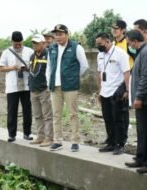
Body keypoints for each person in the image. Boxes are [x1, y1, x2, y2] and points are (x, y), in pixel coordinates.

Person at [46, 24, 89, 152]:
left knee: (73, 114)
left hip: (70, 87)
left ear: (66, 34)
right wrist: (50, 82)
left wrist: (73, 77)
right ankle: (57, 141)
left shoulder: (76, 47)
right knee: (56, 114)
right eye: (56, 34)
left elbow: (84, 66)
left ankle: (75, 141)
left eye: (60, 34)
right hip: (55, 86)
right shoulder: (52, 48)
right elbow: (49, 67)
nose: (57, 37)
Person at [125, 30, 147, 174]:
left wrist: (139, 97)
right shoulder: (141, 53)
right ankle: (140, 158)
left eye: (129, 42)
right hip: (142, 100)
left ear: (135, 41)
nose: (129, 45)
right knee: (141, 131)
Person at [96, 32, 130, 155]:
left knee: (119, 119)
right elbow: (99, 73)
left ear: (107, 41)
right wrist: (100, 90)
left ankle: (120, 144)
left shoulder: (120, 54)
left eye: (100, 44)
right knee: (108, 118)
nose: (98, 46)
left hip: (117, 92)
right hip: (105, 92)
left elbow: (126, 73)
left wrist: (127, 90)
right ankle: (111, 143)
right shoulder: (100, 55)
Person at [0, 31, 34, 142]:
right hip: (12, 87)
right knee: (12, 111)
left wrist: (27, 68)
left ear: (22, 41)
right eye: (15, 44)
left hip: (26, 86)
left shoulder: (29, 51)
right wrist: (13, 67)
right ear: (12, 42)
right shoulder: (6, 52)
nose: (17, 45)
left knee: (27, 111)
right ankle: (11, 134)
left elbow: (34, 67)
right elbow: (1, 68)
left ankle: (27, 133)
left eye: (19, 43)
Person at [110, 20, 134, 146]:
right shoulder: (113, 43)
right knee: (113, 112)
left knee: (123, 112)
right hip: (114, 81)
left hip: (125, 80)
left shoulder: (128, 43)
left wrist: (128, 86)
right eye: (113, 28)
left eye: (117, 28)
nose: (114, 30)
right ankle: (114, 139)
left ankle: (122, 141)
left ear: (123, 30)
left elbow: (135, 61)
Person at [29, 34, 53, 147]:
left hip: (44, 90)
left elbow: (51, 71)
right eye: (33, 43)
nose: (35, 45)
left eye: (37, 43)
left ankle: (49, 138)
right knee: (37, 115)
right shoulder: (32, 56)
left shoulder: (48, 55)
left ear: (43, 44)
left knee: (47, 116)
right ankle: (40, 136)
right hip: (33, 90)